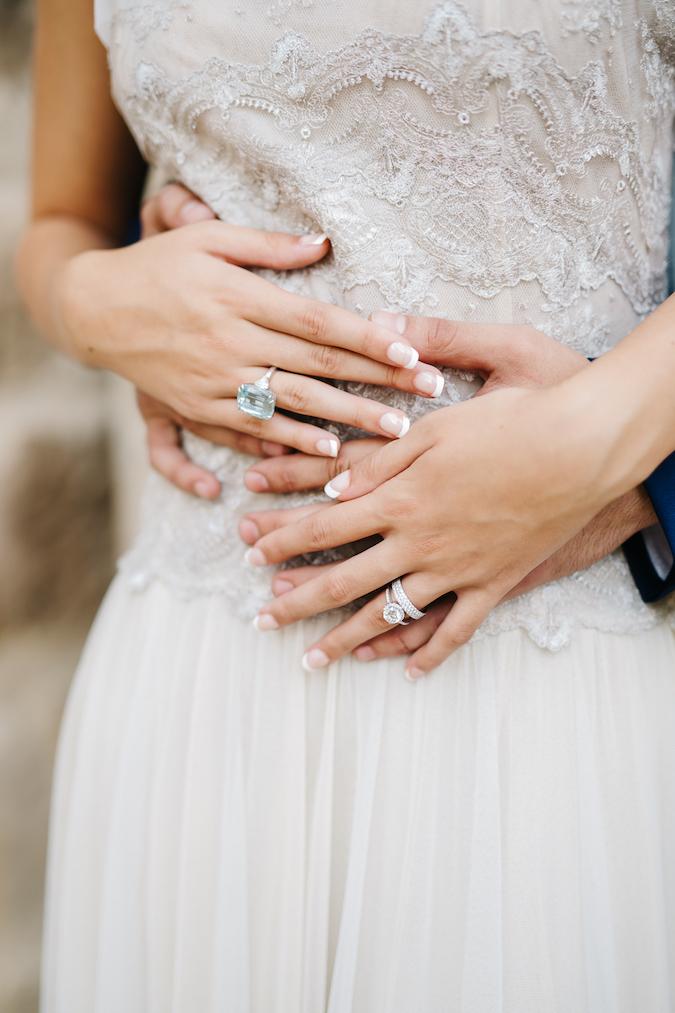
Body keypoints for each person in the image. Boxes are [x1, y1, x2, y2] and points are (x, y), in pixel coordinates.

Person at [15, 1, 675, 1009]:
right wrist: (101, 306)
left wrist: (598, 443)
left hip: (558, 670)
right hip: (208, 682)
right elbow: (63, 221)